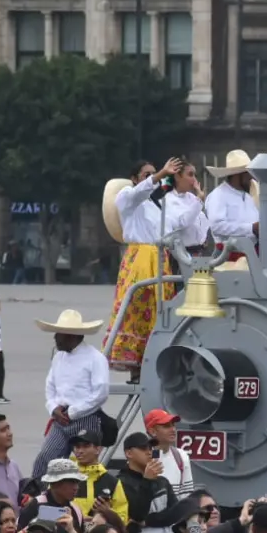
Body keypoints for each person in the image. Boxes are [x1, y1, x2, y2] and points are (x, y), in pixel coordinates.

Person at [102, 158, 186, 381]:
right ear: (134, 179)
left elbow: (173, 227)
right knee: (137, 305)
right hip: (140, 257)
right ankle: (135, 365)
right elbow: (138, 193)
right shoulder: (127, 198)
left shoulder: (155, 205)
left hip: (160, 258)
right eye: (146, 174)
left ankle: (153, 358)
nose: (152, 177)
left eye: (153, 173)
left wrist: (193, 197)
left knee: (159, 308)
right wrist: (160, 175)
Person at [32, 309, 111, 479]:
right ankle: (37, 496)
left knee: (85, 466)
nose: (55, 338)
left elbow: (101, 393)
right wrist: (53, 408)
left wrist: (73, 411)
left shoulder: (95, 358)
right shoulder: (58, 357)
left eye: (58, 335)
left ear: (71, 336)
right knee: (45, 459)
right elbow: (50, 387)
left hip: (86, 418)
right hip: (60, 419)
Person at [205, 149, 260, 260]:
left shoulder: (248, 197)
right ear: (237, 175)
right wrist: (251, 228)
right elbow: (217, 226)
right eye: (248, 173)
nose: (251, 177)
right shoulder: (219, 195)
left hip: (250, 254)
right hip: (228, 256)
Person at [145, 409, 194, 497]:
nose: (173, 429)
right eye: (166, 426)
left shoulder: (181, 456)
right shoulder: (140, 458)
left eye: (173, 425)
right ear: (152, 431)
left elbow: (187, 497)